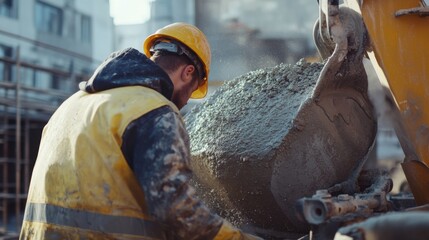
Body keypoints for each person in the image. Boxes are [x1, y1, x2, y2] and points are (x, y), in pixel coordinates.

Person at [19, 22, 262, 240]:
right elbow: (175, 208)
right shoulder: (154, 110)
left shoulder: (71, 105)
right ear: (188, 73)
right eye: (192, 90)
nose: (187, 101)